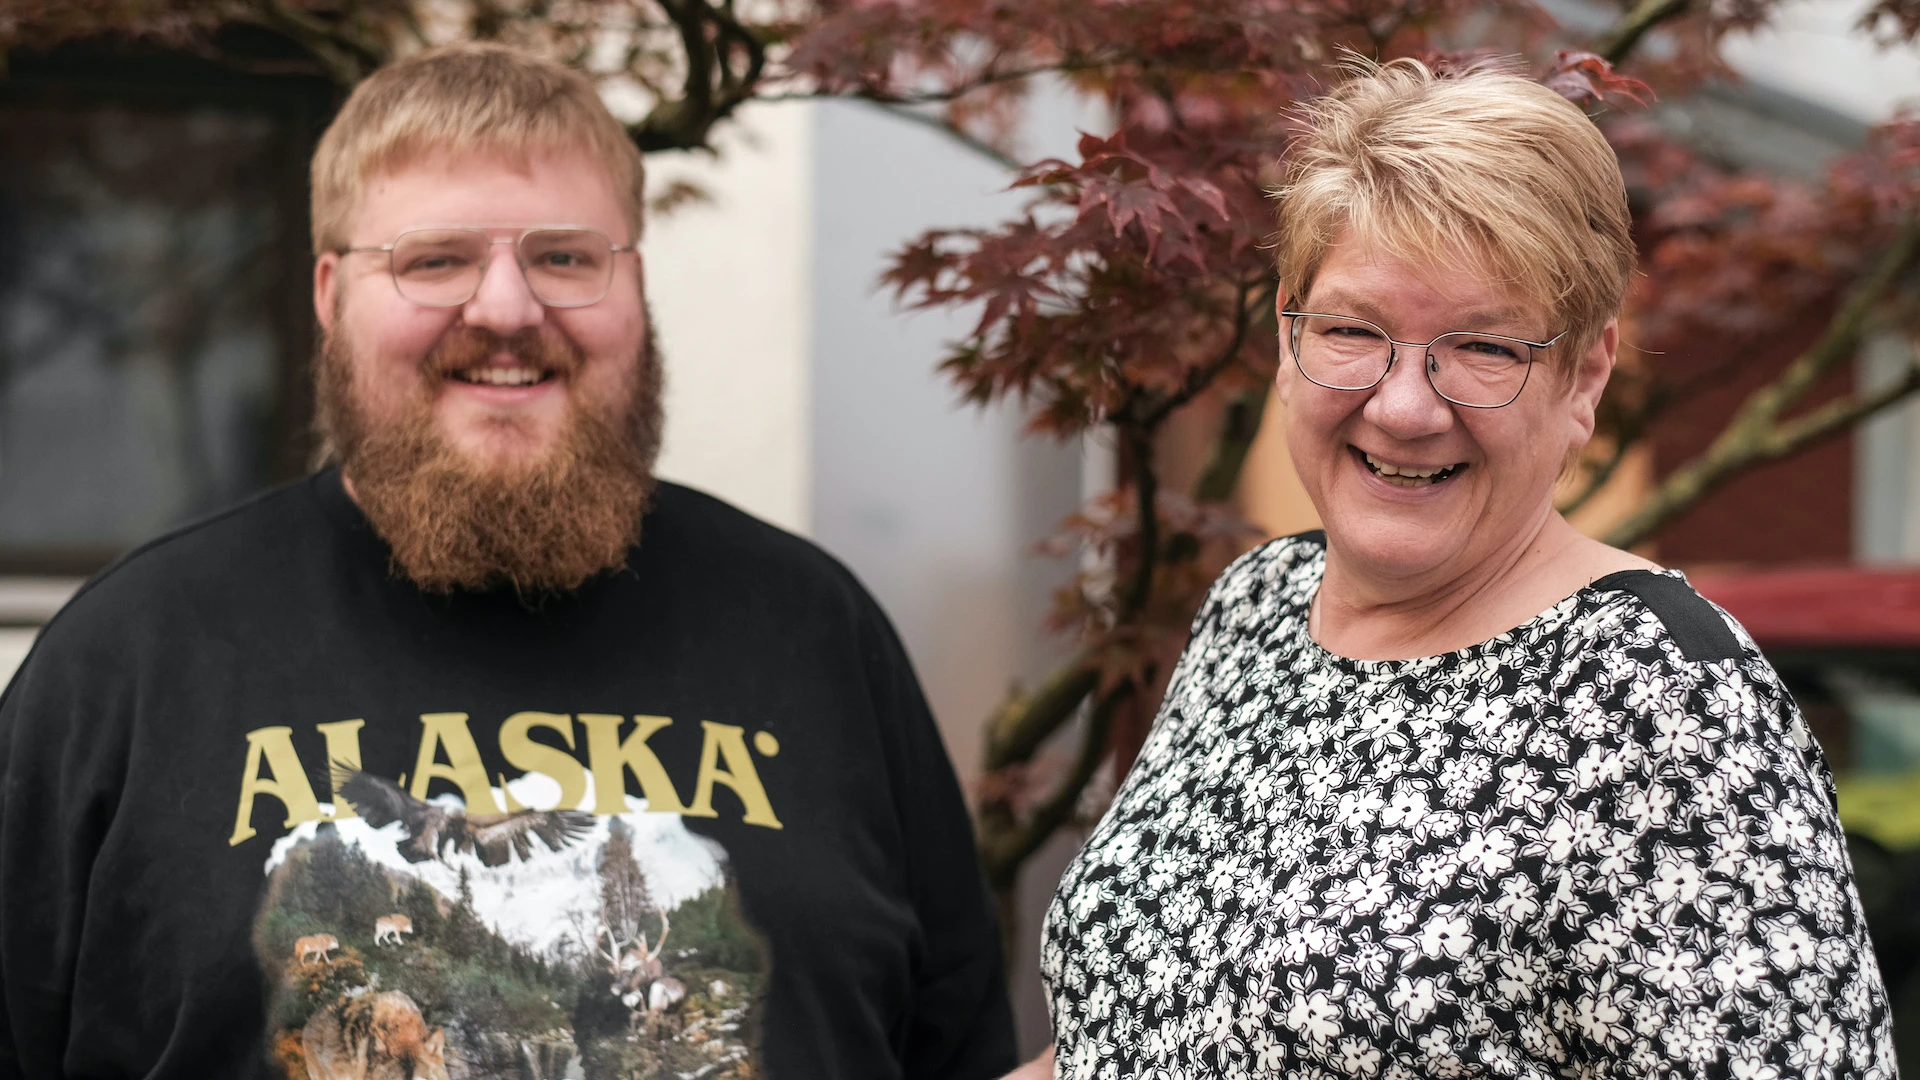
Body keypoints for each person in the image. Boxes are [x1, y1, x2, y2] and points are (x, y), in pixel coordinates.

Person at [0, 43, 1015, 1080]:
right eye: (433, 259)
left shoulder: (817, 635)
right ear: (327, 294)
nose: (506, 309)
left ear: (636, 289)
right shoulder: (131, 661)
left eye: (566, 257)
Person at [1036, 58, 1898, 1078]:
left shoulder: (1663, 707)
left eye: (1483, 348)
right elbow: (1135, 1040)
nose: (1405, 406)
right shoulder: (1258, 607)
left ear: (1585, 373)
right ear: (1287, 333)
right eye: (1354, 331)